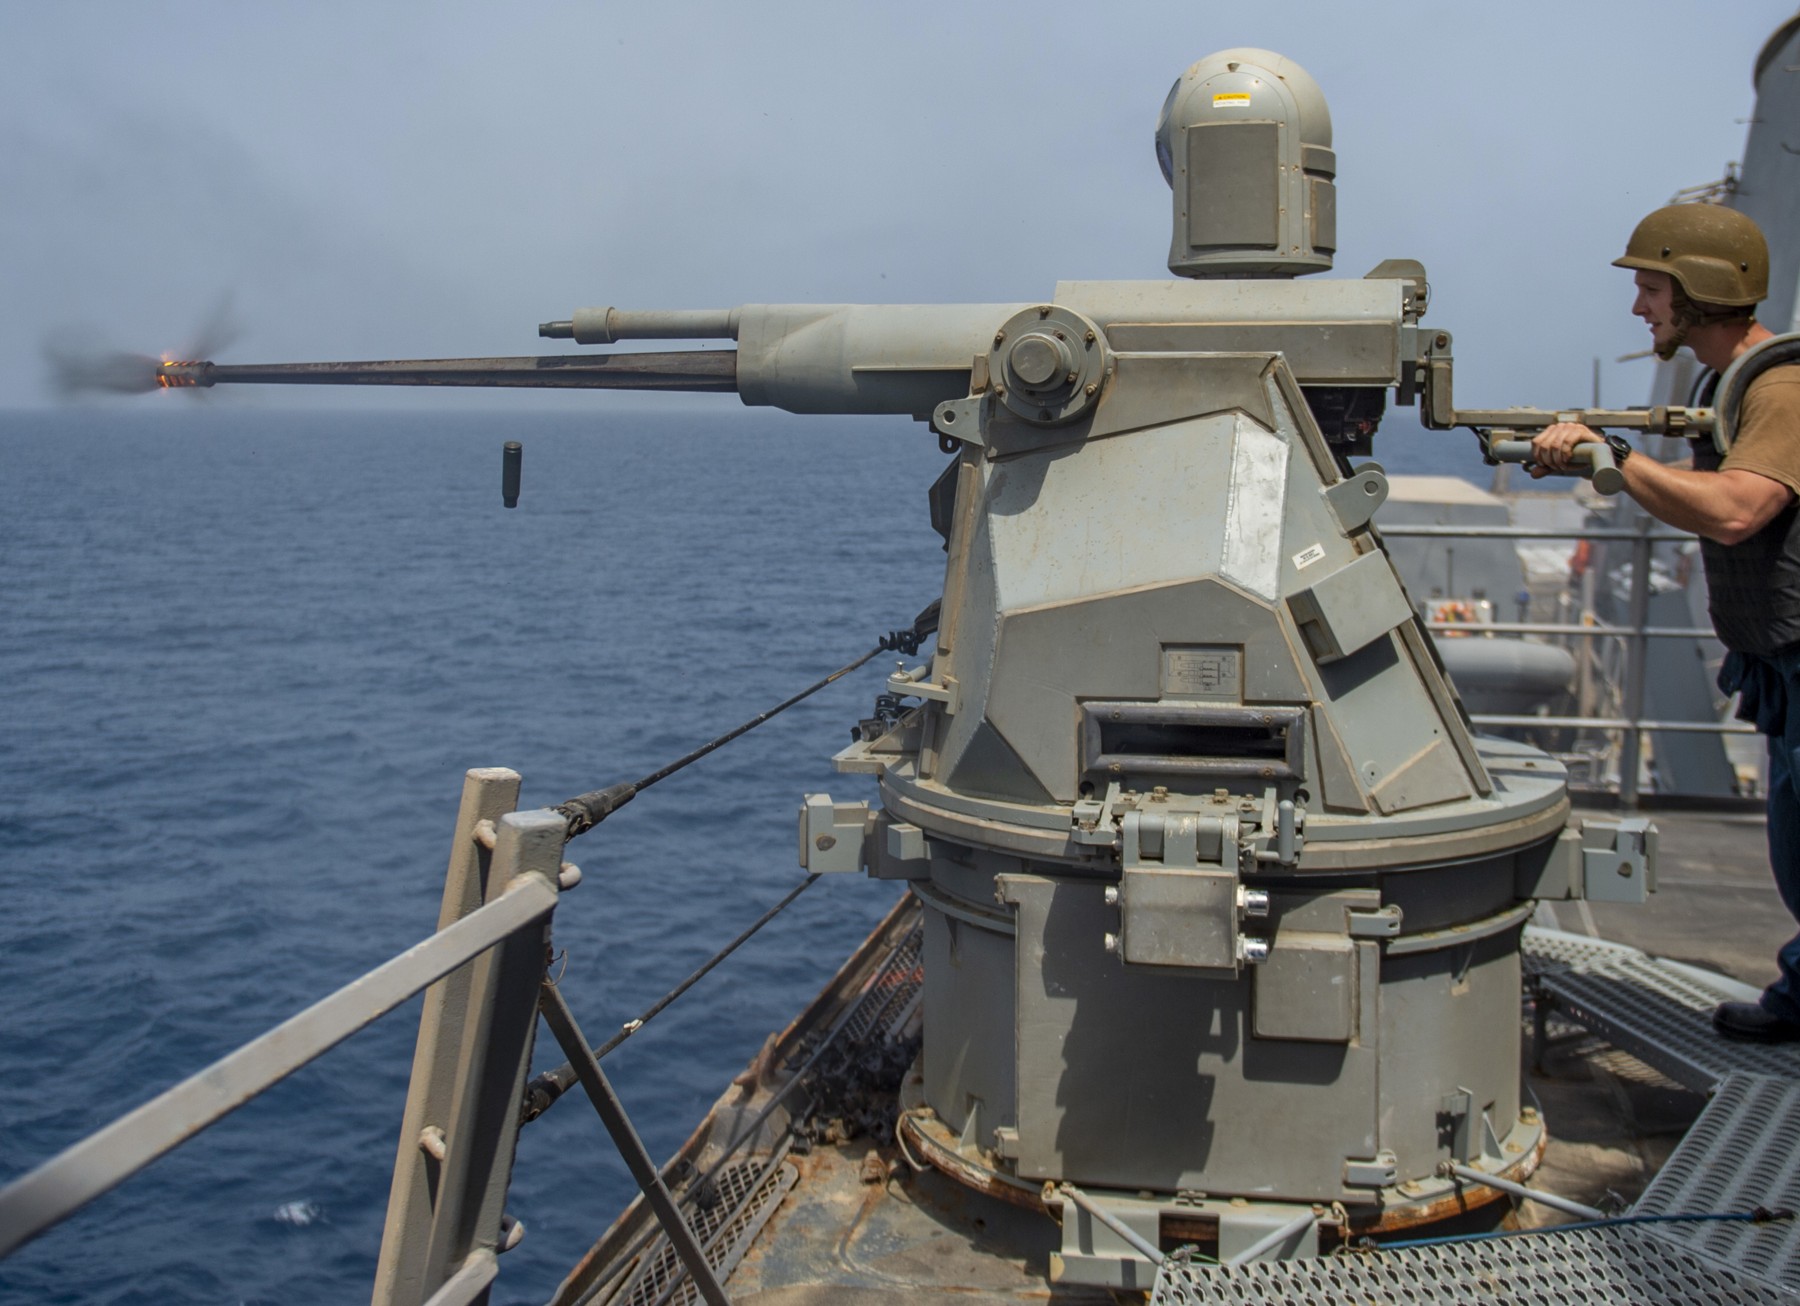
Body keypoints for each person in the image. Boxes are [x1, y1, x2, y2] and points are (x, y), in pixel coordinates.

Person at [1531, 204, 1800, 1042]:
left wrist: (1612, 460)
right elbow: (1687, 489)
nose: (1640, 307)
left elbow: (1734, 511)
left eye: (1651, 288)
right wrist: (1607, 450)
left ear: (1702, 290)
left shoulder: (1784, 388)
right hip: (1777, 655)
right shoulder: (1719, 384)